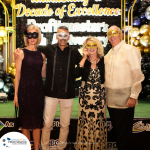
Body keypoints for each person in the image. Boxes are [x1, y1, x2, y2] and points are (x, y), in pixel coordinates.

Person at [105, 25, 144, 150]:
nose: (112, 35)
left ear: (121, 35)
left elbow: (137, 75)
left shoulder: (130, 50)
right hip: (111, 100)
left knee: (123, 135)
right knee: (117, 133)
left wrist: (133, 95)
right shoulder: (109, 53)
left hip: (125, 99)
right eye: (109, 33)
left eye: (115, 32)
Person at [13, 24, 46, 150]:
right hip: (24, 92)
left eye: (34, 35)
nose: (32, 38)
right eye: (29, 35)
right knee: (25, 124)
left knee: (37, 124)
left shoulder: (42, 55)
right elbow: (18, 74)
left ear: (38, 37)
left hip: (38, 92)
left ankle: (36, 148)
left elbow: (43, 74)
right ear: (27, 37)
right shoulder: (20, 52)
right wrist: (16, 95)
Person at [74, 37, 107, 150]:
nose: (91, 47)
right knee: (85, 122)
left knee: (99, 122)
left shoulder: (104, 60)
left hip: (100, 97)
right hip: (85, 97)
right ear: (85, 48)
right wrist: (83, 58)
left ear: (98, 47)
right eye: (88, 45)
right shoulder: (84, 62)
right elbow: (76, 74)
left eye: (93, 45)